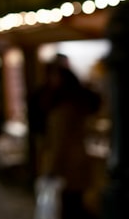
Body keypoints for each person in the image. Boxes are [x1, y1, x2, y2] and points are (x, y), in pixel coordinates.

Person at [30, 61, 101, 219]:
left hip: (67, 168)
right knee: (74, 205)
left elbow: (58, 143)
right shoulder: (75, 104)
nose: (50, 80)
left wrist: (51, 170)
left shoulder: (62, 110)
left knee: (70, 208)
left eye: (54, 77)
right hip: (77, 164)